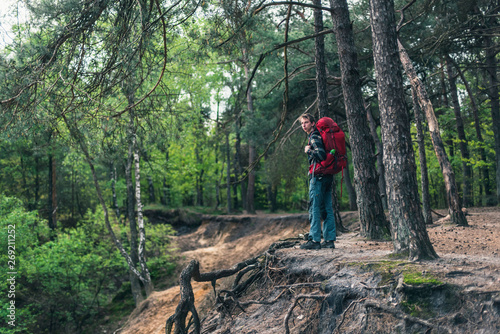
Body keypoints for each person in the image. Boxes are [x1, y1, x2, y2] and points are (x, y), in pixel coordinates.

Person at [300, 113, 336, 250]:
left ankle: (314, 240)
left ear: (313, 123)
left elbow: (320, 155)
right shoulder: (319, 135)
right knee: (327, 207)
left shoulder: (314, 136)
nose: (304, 125)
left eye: (306, 122)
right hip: (327, 176)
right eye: (302, 123)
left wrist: (308, 151)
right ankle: (329, 240)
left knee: (314, 207)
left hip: (318, 176)